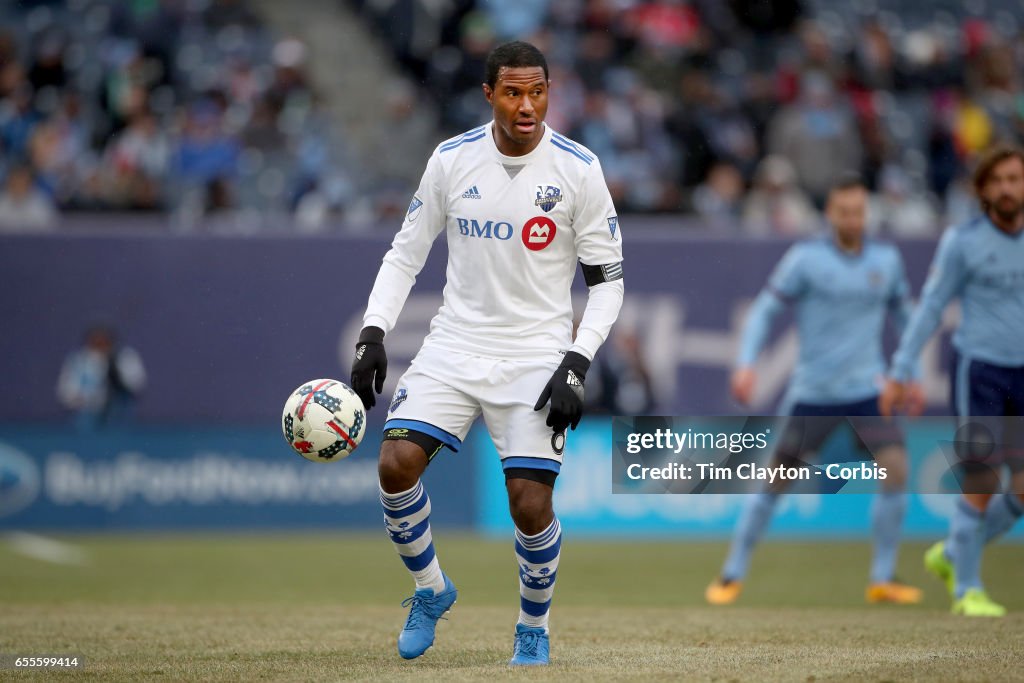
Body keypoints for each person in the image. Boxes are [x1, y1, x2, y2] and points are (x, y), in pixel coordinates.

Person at [349, 41, 624, 665]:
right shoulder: (451, 160)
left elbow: (607, 282)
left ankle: (533, 626)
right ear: (489, 95)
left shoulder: (579, 170)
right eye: (513, 92)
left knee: (530, 506)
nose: (527, 105)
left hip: (536, 353)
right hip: (455, 343)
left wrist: (576, 362)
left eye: (538, 92)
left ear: (549, 92)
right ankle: (431, 590)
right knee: (394, 464)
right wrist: (373, 332)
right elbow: (405, 253)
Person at [706, 175, 924, 606]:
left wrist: (909, 372)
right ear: (830, 213)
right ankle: (732, 573)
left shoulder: (886, 260)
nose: (852, 219)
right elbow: (766, 310)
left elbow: (906, 318)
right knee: (774, 483)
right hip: (814, 395)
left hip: (867, 390)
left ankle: (882, 577)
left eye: (858, 211)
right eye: (844, 211)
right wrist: (747, 362)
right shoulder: (805, 259)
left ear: (867, 212)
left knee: (897, 469)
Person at [882, 143, 1024, 617]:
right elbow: (930, 307)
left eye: (1014, 178)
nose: (1007, 188)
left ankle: (949, 553)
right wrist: (902, 368)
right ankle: (967, 590)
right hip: (980, 370)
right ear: (983, 189)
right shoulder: (962, 242)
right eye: (998, 180)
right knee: (981, 478)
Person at [56, 325, 146, 431]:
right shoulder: (78, 360)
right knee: (85, 436)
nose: (100, 345)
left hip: (118, 410)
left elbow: (137, 384)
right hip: (87, 410)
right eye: (96, 341)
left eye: (104, 341)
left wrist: (117, 378)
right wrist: (79, 399)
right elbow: (66, 390)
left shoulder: (123, 357)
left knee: (119, 435)